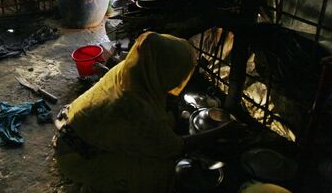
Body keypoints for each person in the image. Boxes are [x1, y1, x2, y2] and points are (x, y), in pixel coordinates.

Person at [53, 32, 244, 192]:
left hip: (70, 125)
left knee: (163, 125)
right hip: (76, 156)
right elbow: (174, 147)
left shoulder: (133, 70)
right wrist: (223, 131)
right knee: (160, 171)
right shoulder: (136, 108)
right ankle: (98, 183)